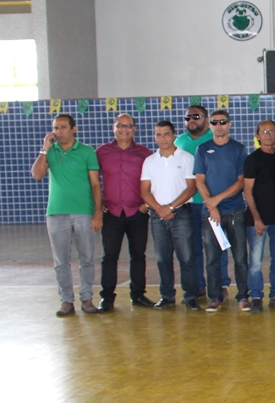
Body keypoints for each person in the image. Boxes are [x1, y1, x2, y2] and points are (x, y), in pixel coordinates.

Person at [31, 114, 101, 316]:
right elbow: (37, 175)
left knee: (86, 258)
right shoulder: (50, 152)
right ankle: (66, 301)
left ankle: (86, 299)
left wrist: (97, 213)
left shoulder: (86, 152)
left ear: (73, 129)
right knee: (61, 261)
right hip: (56, 213)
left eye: (63, 127)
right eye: (56, 128)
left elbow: (96, 184)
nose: (58, 131)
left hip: (83, 212)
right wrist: (44, 148)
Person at [95, 113, 153, 312]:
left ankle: (138, 295)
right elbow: (92, 181)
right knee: (109, 256)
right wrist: (98, 201)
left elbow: (154, 181)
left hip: (137, 211)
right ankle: (107, 298)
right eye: (120, 125)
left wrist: (147, 205)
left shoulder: (144, 154)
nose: (124, 129)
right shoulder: (102, 152)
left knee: (138, 255)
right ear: (114, 127)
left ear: (134, 129)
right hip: (112, 212)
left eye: (128, 126)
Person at [194, 110, 249, 313]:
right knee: (212, 259)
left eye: (223, 122)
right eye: (215, 122)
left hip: (235, 212)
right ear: (210, 125)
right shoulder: (202, 149)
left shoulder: (239, 149)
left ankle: (243, 296)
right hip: (210, 214)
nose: (219, 125)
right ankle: (215, 297)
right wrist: (212, 206)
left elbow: (241, 182)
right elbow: (199, 180)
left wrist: (217, 200)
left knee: (241, 258)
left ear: (229, 124)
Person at [140, 120, 199, 310]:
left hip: (181, 214)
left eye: (166, 134)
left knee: (187, 258)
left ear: (174, 135)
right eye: (158, 134)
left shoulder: (186, 158)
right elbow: (145, 191)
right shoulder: (149, 161)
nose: (162, 138)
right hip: (157, 216)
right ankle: (167, 296)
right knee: (162, 259)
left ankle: (190, 296)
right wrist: (159, 208)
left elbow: (191, 188)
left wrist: (171, 207)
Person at [175, 105, 229, 301]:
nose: (192, 120)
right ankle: (198, 285)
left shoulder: (214, 138)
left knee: (217, 246)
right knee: (193, 247)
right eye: (188, 117)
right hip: (188, 204)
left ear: (206, 119)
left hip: (212, 203)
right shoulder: (179, 142)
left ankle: (221, 283)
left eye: (196, 117)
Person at [244, 120, 275, 313]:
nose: (268, 134)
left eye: (271, 131)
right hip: (257, 221)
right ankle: (255, 296)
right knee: (255, 261)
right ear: (257, 136)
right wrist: (256, 218)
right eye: (263, 131)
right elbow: (247, 191)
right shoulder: (252, 159)